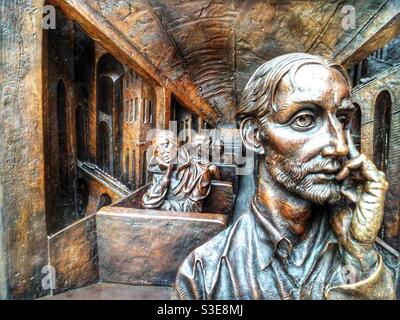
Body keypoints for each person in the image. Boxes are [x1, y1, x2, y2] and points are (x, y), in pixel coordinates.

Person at [173, 53, 396, 300]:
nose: (340, 146)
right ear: (254, 134)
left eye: (342, 119)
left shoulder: (370, 262)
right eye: (304, 119)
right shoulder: (204, 275)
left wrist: (359, 253)